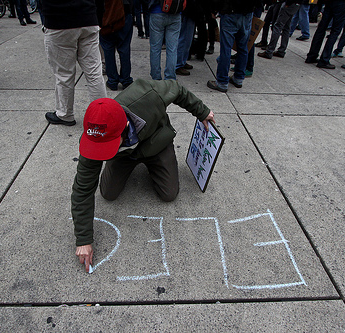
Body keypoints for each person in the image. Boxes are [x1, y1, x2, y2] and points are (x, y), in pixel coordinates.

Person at [72, 79, 215, 271]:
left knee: (169, 193)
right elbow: (82, 189)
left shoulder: (149, 95)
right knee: (108, 193)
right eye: (99, 147)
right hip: (124, 156)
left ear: (123, 128)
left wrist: (202, 111)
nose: (98, 151)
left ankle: (150, 164)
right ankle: (125, 165)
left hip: (156, 143)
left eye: (105, 147)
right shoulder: (93, 138)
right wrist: (83, 239)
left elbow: (178, 89)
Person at [42, 0, 106, 126]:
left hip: (59, 19)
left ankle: (65, 114)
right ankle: (101, 115)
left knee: (64, 74)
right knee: (94, 73)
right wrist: (97, 18)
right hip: (88, 18)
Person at [207, 0, 262, 92]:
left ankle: (222, 81)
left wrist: (214, 10)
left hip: (230, 11)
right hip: (247, 12)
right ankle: (238, 78)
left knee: (226, 49)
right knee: (243, 47)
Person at [305, 0, 345, 69]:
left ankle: (312, 55)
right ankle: (324, 59)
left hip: (330, 2)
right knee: (335, 31)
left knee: (321, 28)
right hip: (343, 4)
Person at [99, 0, 134, 91]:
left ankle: (112, 80)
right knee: (124, 49)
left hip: (106, 16)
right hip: (124, 14)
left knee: (108, 50)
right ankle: (125, 79)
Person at [148, 0, 182, 80]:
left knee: (155, 48)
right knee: (172, 49)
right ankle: (170, 78)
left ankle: (156, 77)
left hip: (157, 11)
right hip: (175, 12)